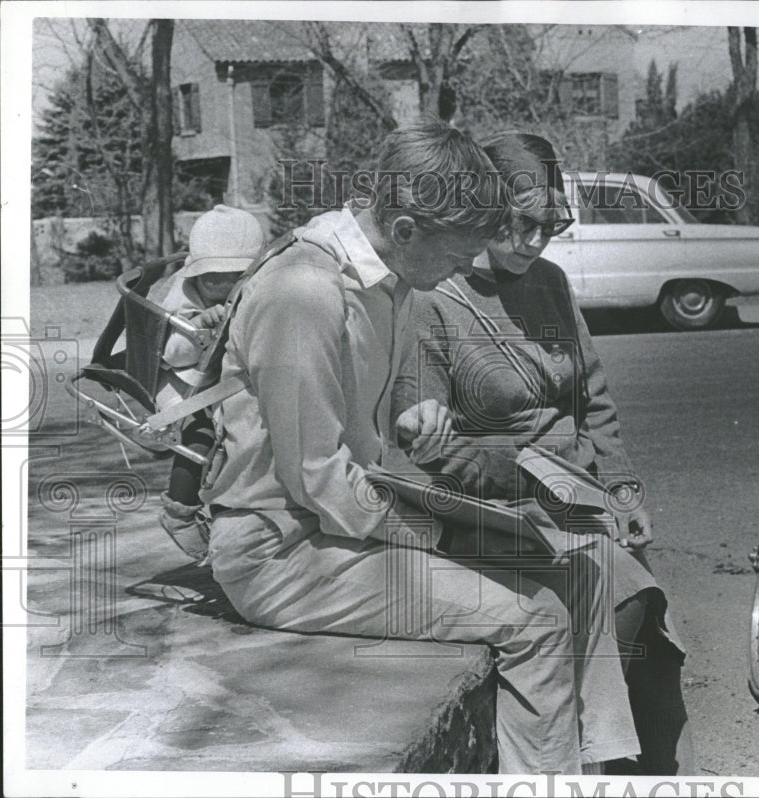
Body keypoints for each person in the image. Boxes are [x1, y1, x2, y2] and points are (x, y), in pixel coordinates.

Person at [200, 119, 643, 774]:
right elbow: (317, 479)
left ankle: (598, 769)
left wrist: (416, 422)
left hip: (343, 527)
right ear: (406, 229)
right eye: (459, 255)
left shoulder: (391, 276)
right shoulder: (306, 293)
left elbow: (359, 431)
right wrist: (441, 530)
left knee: (574, 564)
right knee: (536, 615)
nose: (467, 268)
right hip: (282, 551)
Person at [390, 132, 693, 775]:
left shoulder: (551, 283)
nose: (534, 242)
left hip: (578, 497)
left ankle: (636, 768)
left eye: (549, 227)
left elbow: (594, 397)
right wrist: (525, 478)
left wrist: (622, 489)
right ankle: (587, 762)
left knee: (645, 625)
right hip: (494, 510)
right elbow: (428, 446)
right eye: (519, 225)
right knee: (618, 597)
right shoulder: (434, 298)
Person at [157, 204, 267, 560]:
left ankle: (243, 512)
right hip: (185, 386)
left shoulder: (256, 291)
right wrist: (200, 327)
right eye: (211, 278)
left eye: (234, 276)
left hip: (224, 379)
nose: (221, 288)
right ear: (195, 275)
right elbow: (171, 353)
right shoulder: (185, 296)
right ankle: (179, 512)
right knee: (203, 437)